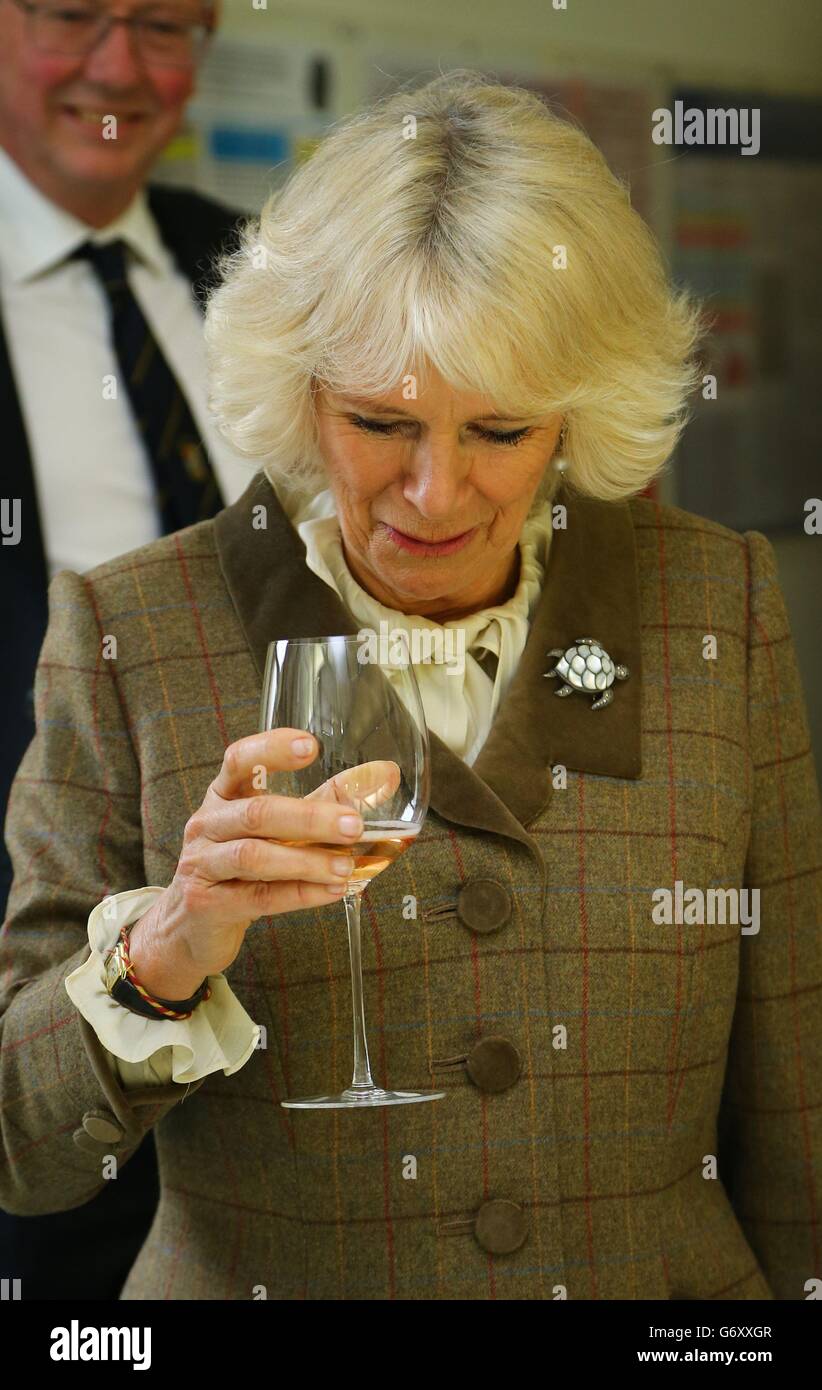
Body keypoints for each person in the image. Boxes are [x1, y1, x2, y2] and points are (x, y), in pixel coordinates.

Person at [1, 70, 820, 1301]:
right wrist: (167, 951)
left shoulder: (718, 603)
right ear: (301, 390)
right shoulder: (130, 628)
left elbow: (798, 1089)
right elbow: (22, 1150)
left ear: (578, 415)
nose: (436, 495)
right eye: (382, 421)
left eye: (500, 433)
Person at [0, 0, 252, 1298]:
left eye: (161, 23)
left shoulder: (259, 270)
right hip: (24, 935)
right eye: (73, 15)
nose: (118, 67)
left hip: (273, 932)